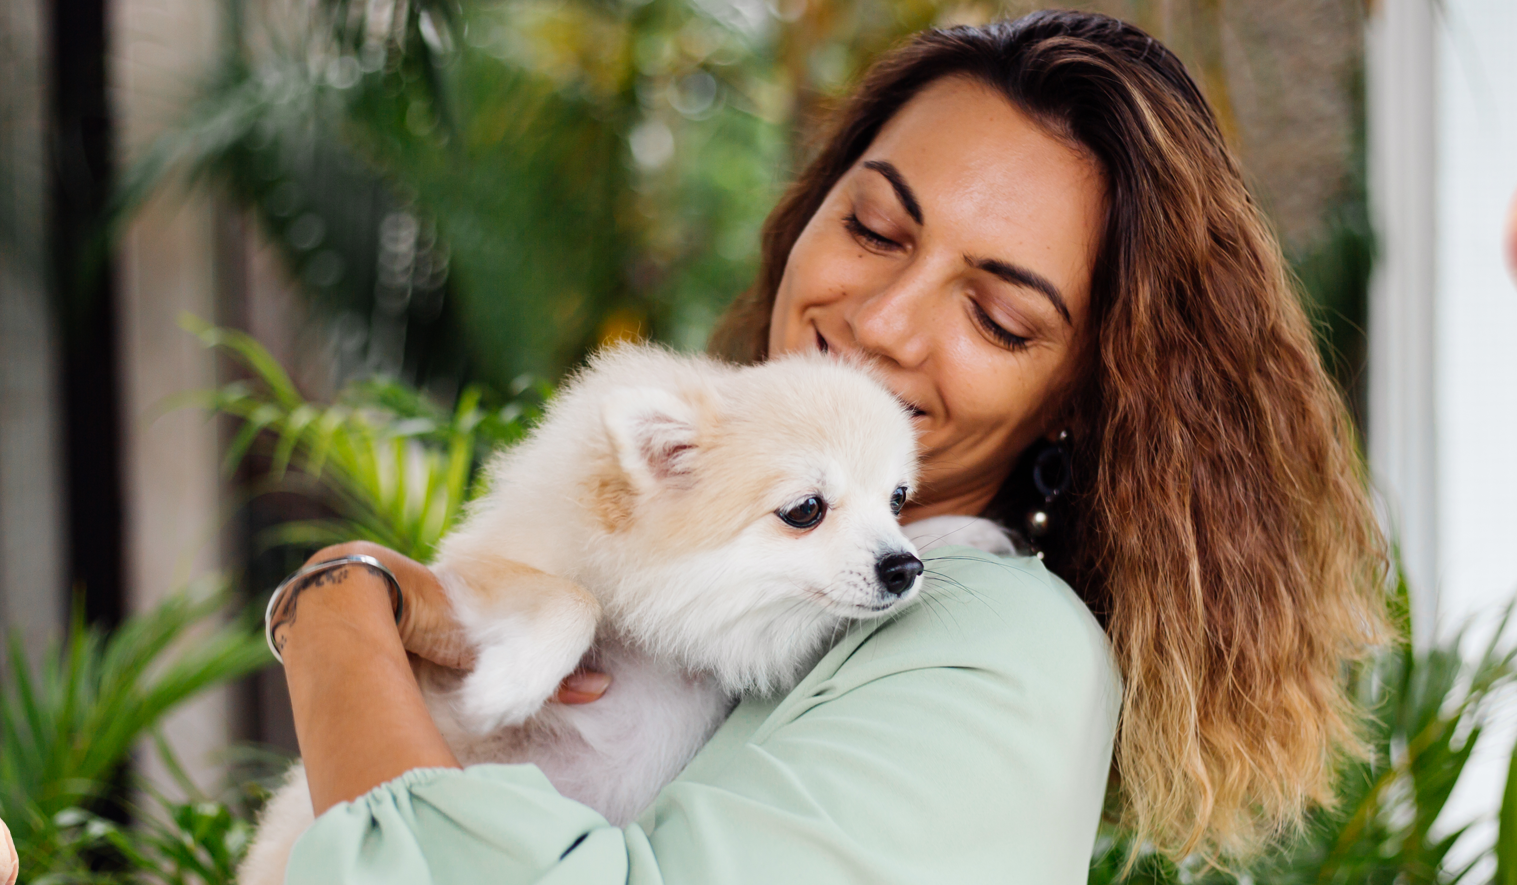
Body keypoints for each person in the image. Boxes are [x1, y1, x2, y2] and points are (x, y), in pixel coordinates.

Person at [263, 9, 1389, 883]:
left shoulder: (1000, 646)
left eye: (998, 317)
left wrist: (334, 621)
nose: (885, 325)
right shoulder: (721, 549)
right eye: (873, 228)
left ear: (1085, 398)